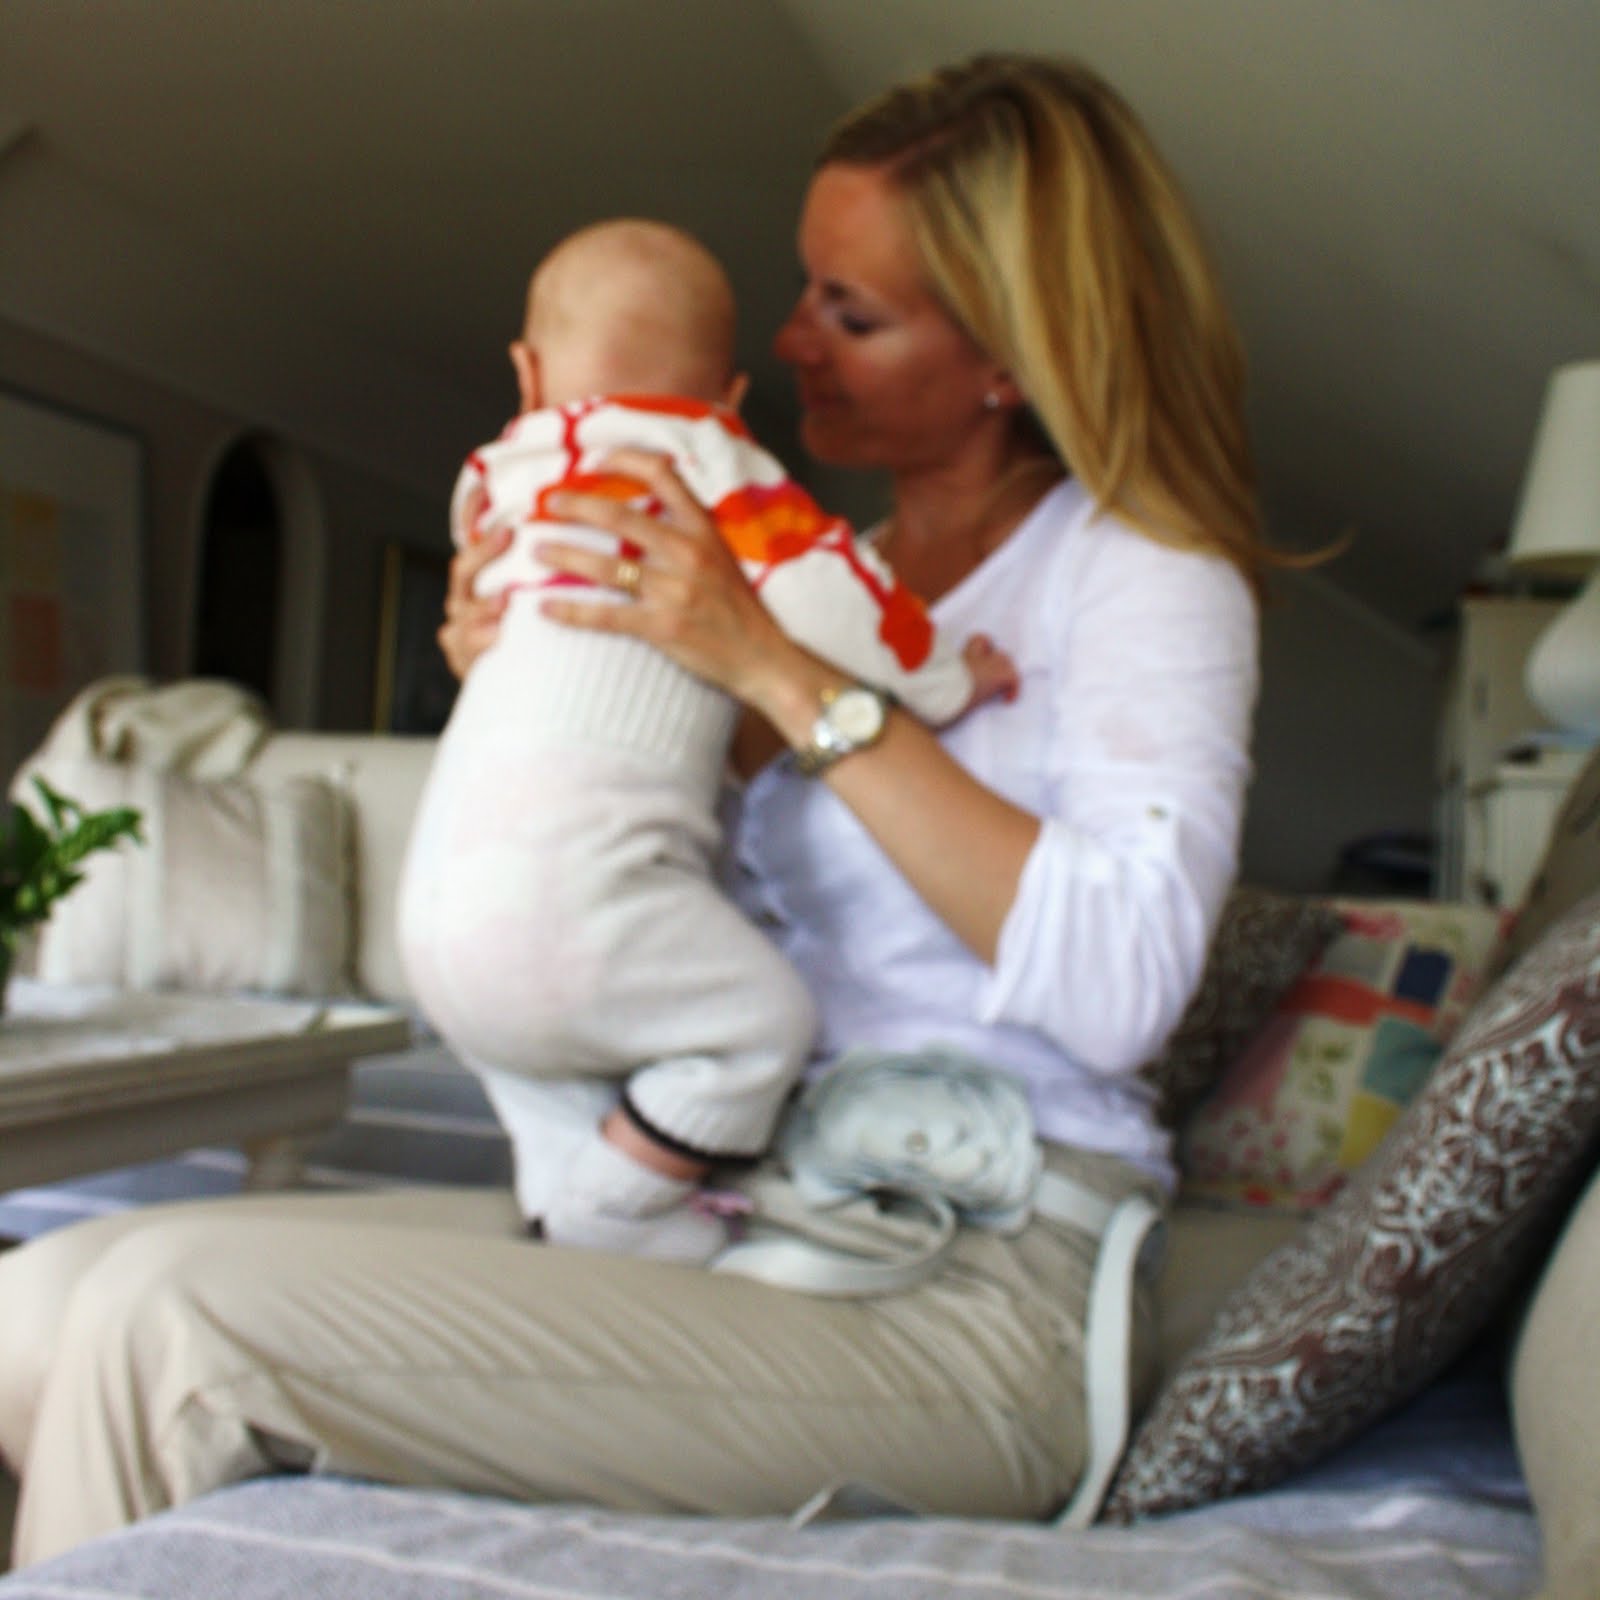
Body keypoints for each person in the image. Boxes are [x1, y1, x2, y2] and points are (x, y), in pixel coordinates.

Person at [0, 53, 1267, 1567]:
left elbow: (1125, 982)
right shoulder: (823, 565)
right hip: (738, 1202)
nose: (787, 339)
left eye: (851, 312)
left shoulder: (1140, 572)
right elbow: (673, 901)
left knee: (165, 1328)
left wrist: (782, 675)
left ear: (1009, 353)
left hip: (971, 1282)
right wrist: (523, 690)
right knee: (41, 1299)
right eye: (803, 287)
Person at [398, 217, 1012, 1262]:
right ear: (727, 399)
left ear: (527, 374)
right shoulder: (709, 470)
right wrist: (948, 676)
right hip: (567, 914)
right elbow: (830, 597)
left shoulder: (494, 483)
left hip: (435, 925)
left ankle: (575, 1212)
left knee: (545, 1068)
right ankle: (610, 1204)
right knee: (760, 1029)